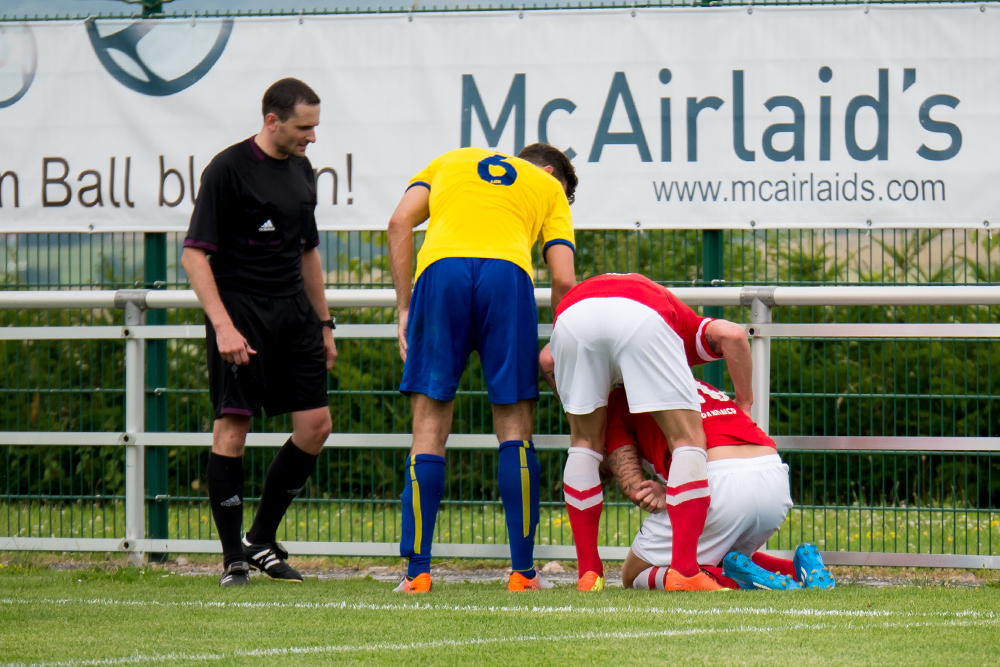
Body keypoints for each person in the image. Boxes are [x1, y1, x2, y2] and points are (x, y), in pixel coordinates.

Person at [387, 143, 578, 593]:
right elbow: (565, 278)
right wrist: (561, 337)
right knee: (515, 428)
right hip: (507, 277)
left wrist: (403, 308)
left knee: (429, 426)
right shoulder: (546, 186)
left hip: (441, 272)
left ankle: (417, 573)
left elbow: (399, 222)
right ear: (552, 173)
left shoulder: (452, 160)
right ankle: (523, 573)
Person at [181, 78, 337, 587]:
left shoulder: (302, 169)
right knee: (234, 428)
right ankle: (232, 558)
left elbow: (308, 252)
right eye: (303, 127)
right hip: (240, 314)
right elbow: (194, 254)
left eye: (314, 127)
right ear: (272, 121)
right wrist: (222, 326)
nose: (311, 137)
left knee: (316, 425)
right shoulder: (227, 170)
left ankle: (260, 539)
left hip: (295, 314)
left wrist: (324, 324)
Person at [546, 273, 752, 592]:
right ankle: (684, 571)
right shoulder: (684, 321)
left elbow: (547, 358)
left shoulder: (593, 296)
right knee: (687, 440)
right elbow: (732, 333)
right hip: (642, 315)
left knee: (584, 444)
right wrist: (745, 404)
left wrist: (576, 401)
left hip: (572, 316)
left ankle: (588, 573)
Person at [604, 381, 831, 591]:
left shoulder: (617, 397)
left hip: (716, 479)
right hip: (773, 474)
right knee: (719, 552)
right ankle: (798, 569)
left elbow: (633, 487)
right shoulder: (690, 381)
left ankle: (736, 582)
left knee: (633, 575)